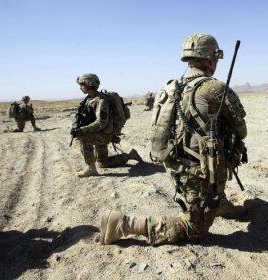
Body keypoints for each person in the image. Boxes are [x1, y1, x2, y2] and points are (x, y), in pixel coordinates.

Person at [100, 33, 248, 246]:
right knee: (194, 230)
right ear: (209, 60)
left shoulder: (170, 88)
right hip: (200, 171)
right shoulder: (215, 88)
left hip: (177, 165)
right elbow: (241, 132)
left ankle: (218, 202)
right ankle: (123, 224)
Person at [72, 73, 142, 177]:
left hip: (105, 134)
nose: (80, 87)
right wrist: (75, 126)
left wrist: (83, 130)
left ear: (89, 84)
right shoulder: (88, 100)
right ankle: (130, 155)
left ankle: (91, 169)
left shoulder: (101, 101)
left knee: (82, 138)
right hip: (99, 132)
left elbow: (101, 123)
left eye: (82, 84)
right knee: (103, 163)